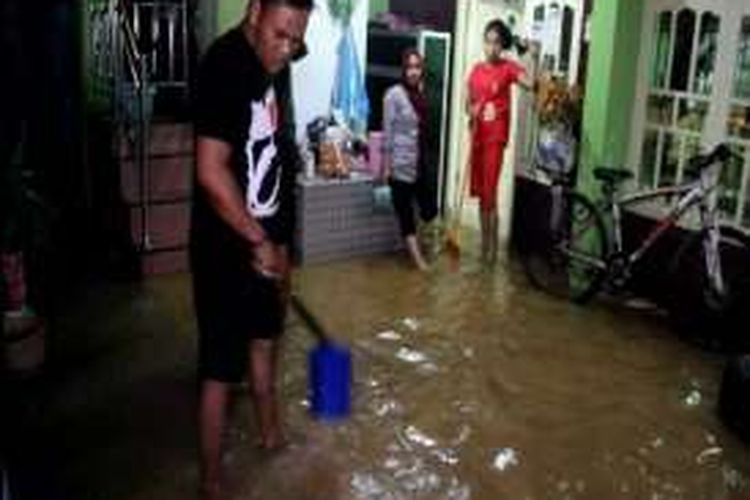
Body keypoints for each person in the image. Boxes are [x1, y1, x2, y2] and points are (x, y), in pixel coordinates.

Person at [189, 0, 311, 497]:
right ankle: (212, 481)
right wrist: (257, 240)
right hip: (223, 247)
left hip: (267, 244)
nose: (287, 50)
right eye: (281, 34)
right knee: (220, 369)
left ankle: (270, 436)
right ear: (254, 10)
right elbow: (211, 170)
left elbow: (277, 152)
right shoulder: (223, 64)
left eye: (297, 39)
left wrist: (281, 244)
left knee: (266, 339)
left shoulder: (278, 62)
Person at [467, 19, 535, 265]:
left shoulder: (508, 68)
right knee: (480, 194)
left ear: (502, 45)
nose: (491, 47)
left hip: (496, 138)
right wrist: (471, 110)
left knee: (489, 192)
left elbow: (529, 83)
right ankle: (485, 246)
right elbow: (469, 103)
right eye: (488, 41)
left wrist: (529, 56)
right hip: (477, 138)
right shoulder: (475, 70)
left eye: (496, 42)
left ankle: (492, 252)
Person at [382, 48, 438, 271]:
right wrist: (386, 167)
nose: (414, 72)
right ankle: (419, 262)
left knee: (429, 210)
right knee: (406, 216)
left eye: (417, 67)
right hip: (400, 165)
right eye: (410, 67)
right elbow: (388, 132)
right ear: (403, 70)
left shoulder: (420, 93)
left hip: (420, 163)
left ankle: (423, 248)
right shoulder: (393, 95)